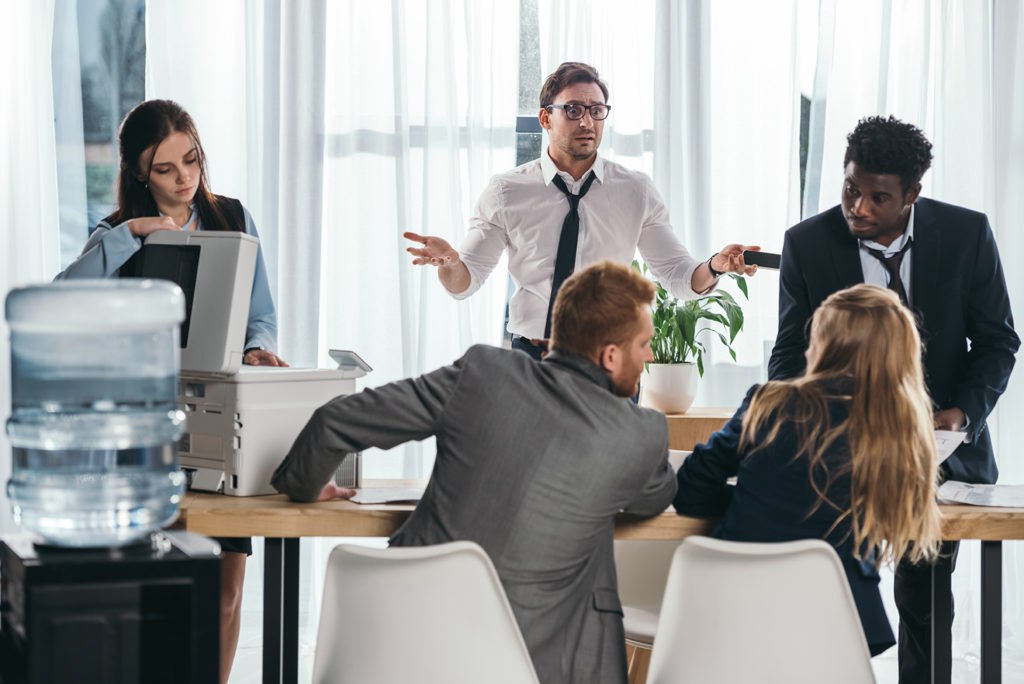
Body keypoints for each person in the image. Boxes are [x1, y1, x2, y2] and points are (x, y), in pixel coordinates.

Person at [271, 260, 677, 684]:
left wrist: (304, 487)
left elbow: (335, 421)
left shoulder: (485, 371)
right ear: (610, 356)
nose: (649, 354)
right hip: (524, 666)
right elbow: (657, 493)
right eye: (644, 344)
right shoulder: (638, 433)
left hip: (400, 647)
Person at [767, 116, 1019, 681]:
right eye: (850, 189)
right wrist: (830, 413)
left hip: (938, 456)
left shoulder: (966, 234)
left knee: (924, 597)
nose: (857, 207)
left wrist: (965, 411)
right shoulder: (806, 244)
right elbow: (786, 359)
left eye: (878, 197)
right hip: (835, 454)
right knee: (824, 590)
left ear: (912, 194)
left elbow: (999, 341)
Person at [55, 99, 287, 684]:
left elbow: (260, 311)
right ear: (138, 172)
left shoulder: (233, 217)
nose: (185, 178)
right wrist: (128, 235)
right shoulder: (114, 235)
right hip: (142, 431)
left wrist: (258, 347)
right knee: (159, 591)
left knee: (226, 594)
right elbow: (63, 299)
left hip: (219, 421)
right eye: (166, 168)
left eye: (192, 160)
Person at [404, 61, 757, 360]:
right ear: (545, 118)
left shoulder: (635, 190)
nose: (587, 122)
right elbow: (466, 282)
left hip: (609, 359)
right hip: (532, 357)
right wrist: (450, 263)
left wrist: (714, 266)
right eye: (573, 110)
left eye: (596, 110)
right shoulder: (507, 191)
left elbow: (678, 276)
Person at [676, 284, 943, 656]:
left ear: (830, 350)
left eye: (815, 339)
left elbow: (690, 488)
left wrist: (754, 503)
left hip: (732, 607)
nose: (806, 350)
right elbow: (903, 520)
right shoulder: (900, 430)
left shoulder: (768, 401)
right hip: (837, 622)